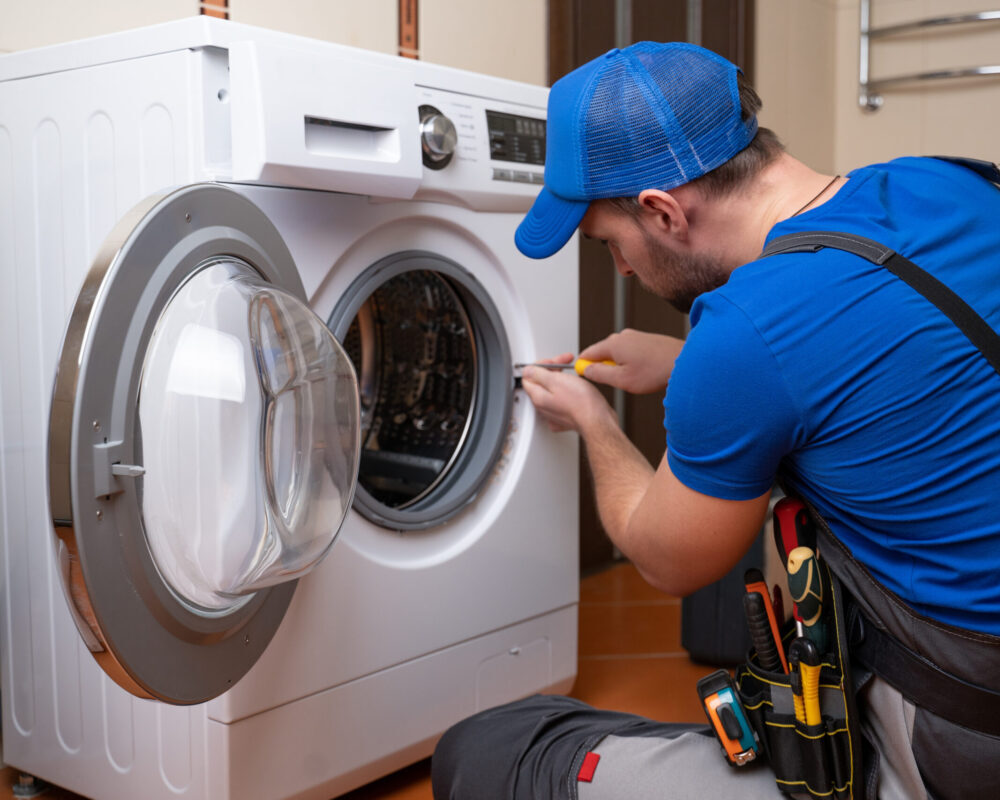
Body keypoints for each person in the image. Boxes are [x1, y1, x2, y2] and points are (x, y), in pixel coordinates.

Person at [430, 41, 1000, 800]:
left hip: (963, 732)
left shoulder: (744, 332)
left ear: (662, 211)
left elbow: (669, 562)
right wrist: (683, 363)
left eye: (609, 242)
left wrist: (594, 420)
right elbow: (910, 362)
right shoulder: (945, 184)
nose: (622, 269)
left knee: (489, 752)